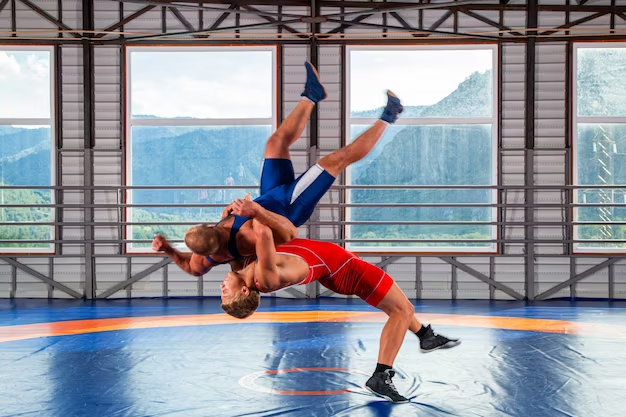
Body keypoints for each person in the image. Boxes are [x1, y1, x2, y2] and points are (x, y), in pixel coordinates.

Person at [153, 61, 404, 273]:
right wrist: (255, 212)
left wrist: (167, 249)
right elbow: (290, 232)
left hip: (269, 196)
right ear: (210, 231)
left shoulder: (205, 251)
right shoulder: (251, 237)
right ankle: (390, 116)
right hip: (288, 207)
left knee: (275, 142)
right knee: (335, 161)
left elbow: (191, 268)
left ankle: (312, 95)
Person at [218, 220, 461, 403]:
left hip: (338, 268)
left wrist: (228, 218)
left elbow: (224, 239)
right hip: (347, 270)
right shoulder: (264, 276)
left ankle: (425, 337)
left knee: (397, 308)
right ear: (244, 292)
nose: (221, 287)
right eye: (225, 293)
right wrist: (248, 209)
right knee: (402, 310)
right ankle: (380, 375)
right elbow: (263, 229)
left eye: (222, 292)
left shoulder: (244, 265)